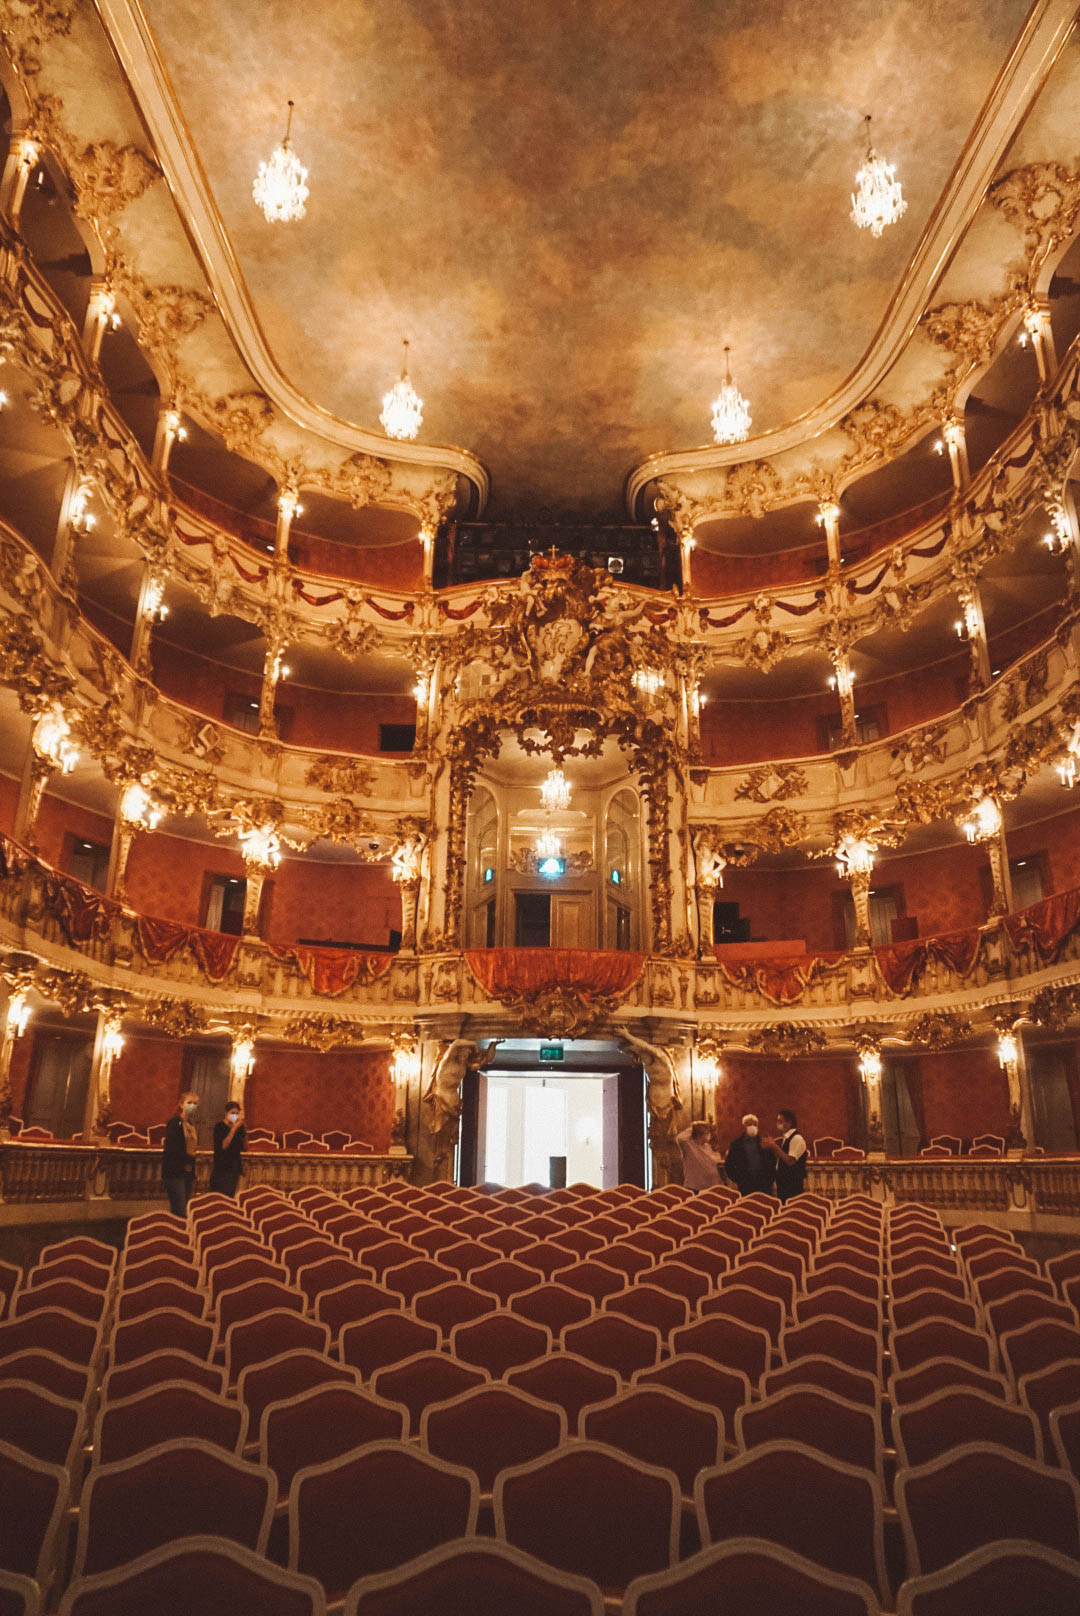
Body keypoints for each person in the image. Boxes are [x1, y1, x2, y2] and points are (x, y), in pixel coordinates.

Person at [161, 1090, 199, 1215]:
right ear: (181, 1104)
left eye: (195, 1103)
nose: (192, 1106)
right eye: (189, 1103)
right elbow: (171, 1148)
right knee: (179, 1209)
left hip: (187, 1171)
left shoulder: (191, 1125)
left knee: (185, 1207)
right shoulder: (175, 1123)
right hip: (175, 1171)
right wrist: (186, 1160)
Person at [724, 1113, 776, 1196]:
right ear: (744, 1126)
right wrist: (738, 1180)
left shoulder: (764, 1142)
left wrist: (770, 1180)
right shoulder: (736, 1144)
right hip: (745, 1183)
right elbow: (729, 1165)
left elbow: (773, 1162)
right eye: (749, 1124)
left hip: (764, 1183)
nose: (752, 1126)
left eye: (755, 1124)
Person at [763, 1108, 808, 1202]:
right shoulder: (786, 1138)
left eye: (780, 1121)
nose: (777, 1124)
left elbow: (790, 1161)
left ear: (789, 1123)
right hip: (783, 1184)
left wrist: (774, 1146)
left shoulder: (797, 1138)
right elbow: (782, 1157)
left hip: (792, 1185)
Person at [209, 1100, 246, 1197]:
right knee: (219, 1198)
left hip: (234, 1168)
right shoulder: (219, 1127)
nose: (235, 1116)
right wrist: (233, 1129)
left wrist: (244, 1127)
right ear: (226, 1113)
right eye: (232, 1113)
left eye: (237, 1114)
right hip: (221, 1168)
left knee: (231, 1198)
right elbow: (224, 1146)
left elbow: (245, 1147)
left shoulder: (239, 1128)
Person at [676, 1120, 722, 1192]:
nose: (709, 1135)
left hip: (710, 1185)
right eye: (707, 1133)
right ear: (700, 1134)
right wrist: (695, 1127)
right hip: (695, 1187)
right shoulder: (689, 1146)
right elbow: (680, 1138)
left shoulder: (707, 1146)